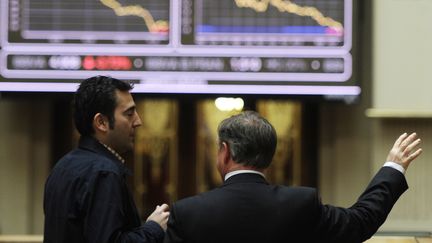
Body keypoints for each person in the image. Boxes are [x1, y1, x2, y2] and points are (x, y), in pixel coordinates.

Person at [164, 111, 422, 243]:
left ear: (225, 152)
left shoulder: (187, 213)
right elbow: (359, 223)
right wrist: (393, 168)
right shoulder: (300, 204)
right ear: (270, 155)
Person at [44, 76, 169, 243]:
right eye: (129, 114)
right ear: (101, 122)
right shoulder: (104, 172)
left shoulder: (62, 166)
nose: (138, 121)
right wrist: (154, 228)